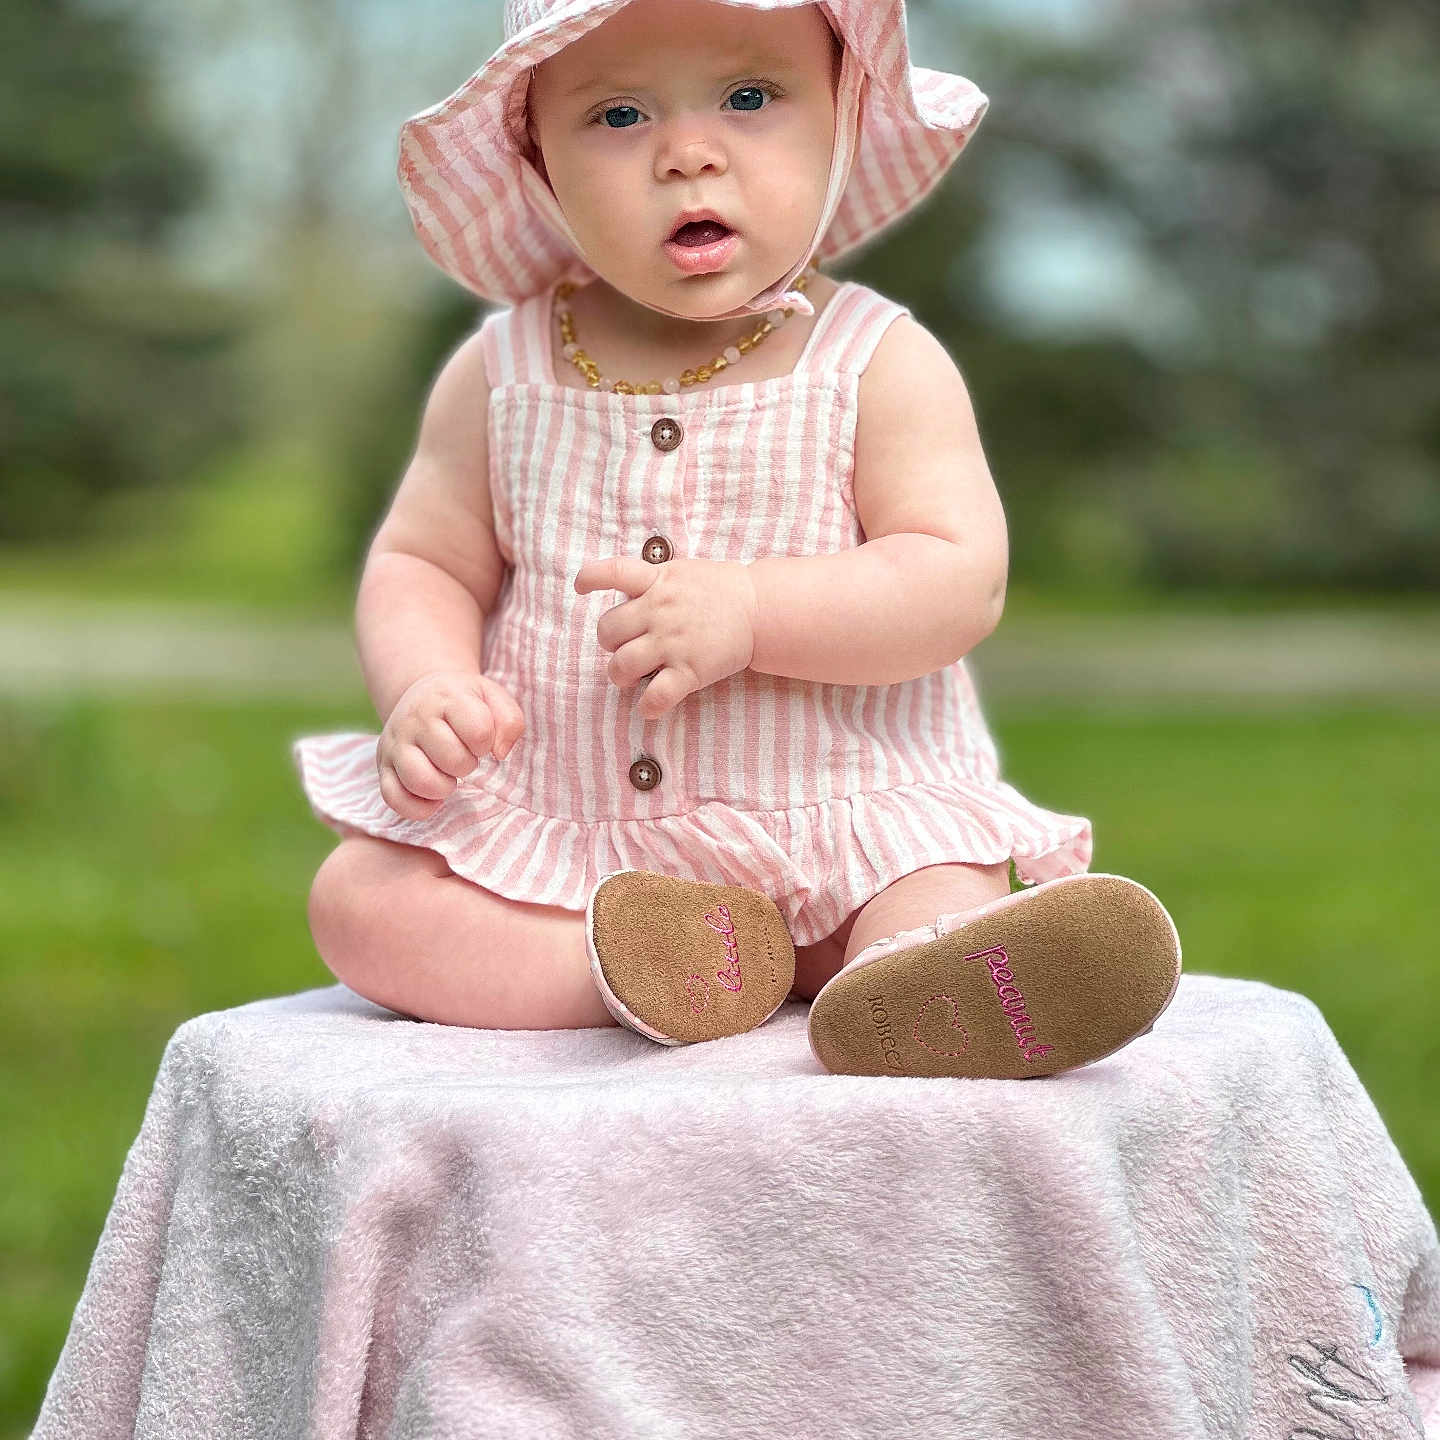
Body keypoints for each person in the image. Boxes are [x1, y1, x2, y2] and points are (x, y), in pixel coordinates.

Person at [294, 0, 1182, 1078]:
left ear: (841, 120)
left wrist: (754, 612)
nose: (688, 153)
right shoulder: (503, 373)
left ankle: (930, 983)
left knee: (938, 885)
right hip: (576, 849)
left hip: (845, 828)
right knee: (360, 900)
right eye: (618, 115)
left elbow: (956, 582)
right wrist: (427, 685)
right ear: (538, 164)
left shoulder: (874, 364)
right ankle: (633, 975)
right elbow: (424, 560)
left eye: (751, 98)